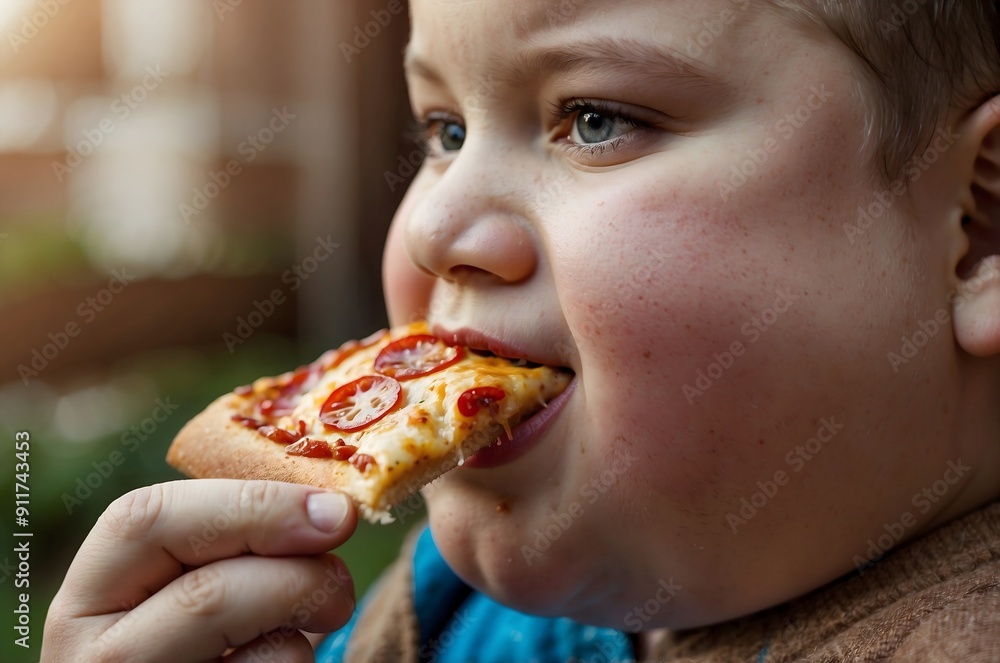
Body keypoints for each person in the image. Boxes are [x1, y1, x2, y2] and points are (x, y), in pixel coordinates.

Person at [42, 0, 1000, 660]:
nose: (433, 226)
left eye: (593, 119)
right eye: (444, 131)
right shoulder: (442, 614)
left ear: (979, 228)